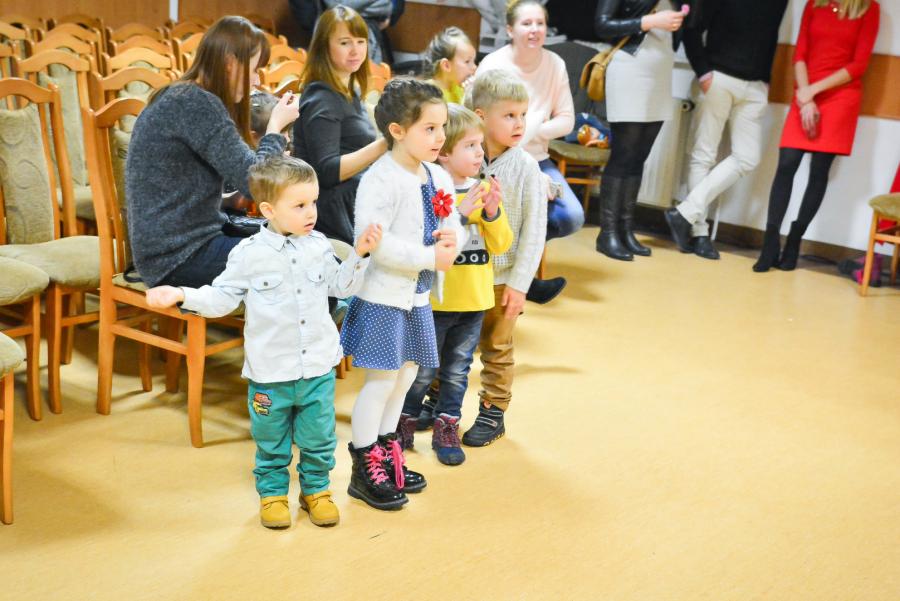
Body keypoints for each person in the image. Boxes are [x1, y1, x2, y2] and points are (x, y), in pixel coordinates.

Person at [144, 155, 383, 529]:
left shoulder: (319, 245)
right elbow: (222, 298)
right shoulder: (248, 254)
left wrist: (360, 255)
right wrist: (181, 294)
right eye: (299, 205)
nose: (311, 212)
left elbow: (341, 288)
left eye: (313, 202)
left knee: (319, 438)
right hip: (270, 374)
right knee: (271, 441)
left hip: (317, 366)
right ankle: (272, 495)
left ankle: (316, 491)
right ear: (269, 210)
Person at [339, 79, 466, 510]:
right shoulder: (381, 179)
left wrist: (451, 242)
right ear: (397, 130)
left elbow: (452, 223)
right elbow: (377, 243)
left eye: (442, 127)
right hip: (383, 299)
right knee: (381, 382)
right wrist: (431, 257)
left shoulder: (437, 174)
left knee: (407, 376)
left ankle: (387, 453)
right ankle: (364, 467)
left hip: (416, 298)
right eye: (429, 128)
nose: (439, 137)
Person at [125, 16, 299, 288]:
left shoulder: (185, 96)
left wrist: (227, 200)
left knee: (308, 249)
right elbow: (256, 183)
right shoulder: (195, 103)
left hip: (185, 244)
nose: (256, 81)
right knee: (302, 262)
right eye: (254, 69)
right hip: (177, 257)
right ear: (230, 62)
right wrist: (275, 127)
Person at [397, 104, 513, 466]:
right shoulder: (429, 191)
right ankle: (401, 425)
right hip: (434, 303)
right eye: (470, 146)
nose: (480, 153)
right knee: (421, 372)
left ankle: (446, 427)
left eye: (481, 145)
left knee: (457, 372)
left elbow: (501, 245)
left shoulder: (484, 190)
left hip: (473, 302)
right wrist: (460, 215)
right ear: (445, 152)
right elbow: (424, 242)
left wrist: (492, 213)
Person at [752, 0, 880, 272]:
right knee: (786, 164)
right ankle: (770, 243)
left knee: (818, 171)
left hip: (839, 97)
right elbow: (800, 54)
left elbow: (858, 64)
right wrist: (806, 95)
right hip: (805, 93)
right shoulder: (815, 4)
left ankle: (794, 241)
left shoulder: (869, 8)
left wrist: (814, 91)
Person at [663, 0, 788, 260]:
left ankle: (684, 213)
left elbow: (770, 36)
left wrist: (765, 80)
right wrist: (703, 73)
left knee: (747, 157)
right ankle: (699, 233)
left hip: (755, 86)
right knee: (703, 155)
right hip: (718, 77)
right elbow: (692, 29)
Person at [478, 0, 583, 303]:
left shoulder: (555, 64)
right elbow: (475, 120)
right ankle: (511, 276)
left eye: (540, 23)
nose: (535, 30)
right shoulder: (493, 64)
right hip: (493, 159)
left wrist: (530, 131)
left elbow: (567, 120)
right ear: (510, 30)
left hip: (537, 159)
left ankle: (521, 269)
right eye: (526, 24)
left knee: (572, 216)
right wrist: (519, 140)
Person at [462, 69, 546, 447]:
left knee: (497, 346)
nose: (519, 124)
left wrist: (520, 283)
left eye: (523, 115)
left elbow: (534, 231)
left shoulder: (526, 168)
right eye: (509, 115)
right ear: (481, 116)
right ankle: (437, 400)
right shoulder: (461, 157)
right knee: (451, 342)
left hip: (502, 279)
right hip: (462, 275)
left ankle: (493, 410)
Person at [593, 0, 687, 261]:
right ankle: (607, 233)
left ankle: (625, 229)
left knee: (638, 159)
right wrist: (650, 21)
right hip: (630, 68)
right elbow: (602, 25)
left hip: (661, 71)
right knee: (623, 155)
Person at [293, 5, 388, 245]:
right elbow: (327, 172)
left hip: (354, 200)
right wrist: (385, 144)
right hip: (331, 213)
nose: (356, 50)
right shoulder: (321, 98)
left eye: (361, 41)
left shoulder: (347, 89)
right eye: (345, 43)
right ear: (324, 47)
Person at [423, 27, 478, 104]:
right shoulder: (429, 94)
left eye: (473, 61)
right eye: (467, 61)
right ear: (446, 66)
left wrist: (470, 94)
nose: (475, 67)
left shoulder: (459, 88)